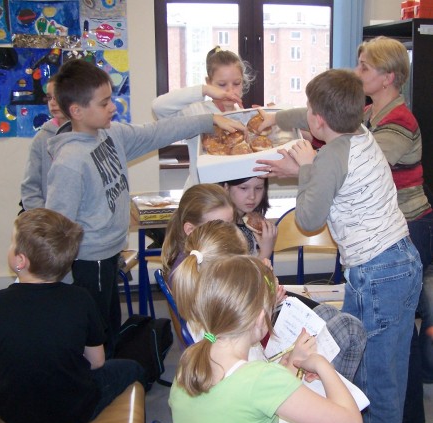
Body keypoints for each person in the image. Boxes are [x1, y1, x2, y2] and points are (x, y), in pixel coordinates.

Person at [257, 68, 422, 423]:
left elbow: (308, 219)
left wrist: (305, 169)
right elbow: (313, 119)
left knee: (377, 383)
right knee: (371, 362)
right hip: (399, 262)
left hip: (377, 274)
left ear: (319, 119)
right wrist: (277, 119)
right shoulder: (360, 131)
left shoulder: (329, 157)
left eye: (309, 111)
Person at [45, 59, 247, 358]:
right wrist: (53, 288)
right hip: (89, 260)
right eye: (104, 103)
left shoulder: (111, 135)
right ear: (77, 111)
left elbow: (157, 131)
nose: (112, 108)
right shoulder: (69, 162)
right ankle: (99, 378)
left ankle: (111, 370)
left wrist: (209, 120)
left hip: (109, 254)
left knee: (108, 326)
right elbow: (55, 228)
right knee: (94, 333)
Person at [0, 208, 146, 423]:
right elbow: (97, 362)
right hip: (74, 415)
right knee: (132, 368)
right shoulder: (81, 299)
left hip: (17, 420)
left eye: (12, 243)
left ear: (20, 260)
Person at [169, 255, 363, 423]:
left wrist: (287, 368)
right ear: (261, 318)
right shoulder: (261, 379)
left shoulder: (190, 361)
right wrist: (321, 364)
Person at [173, 219, 366, 382]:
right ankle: (335, 401)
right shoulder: (227, 350)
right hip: (277, 388)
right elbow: (262, 392)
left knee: (328, 314)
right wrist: (291, 363)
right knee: (349, 327)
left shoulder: (206, 315)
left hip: (267, 369)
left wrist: (268, 304)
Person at [355, 36, 432, 423]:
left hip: (408, 230)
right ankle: (408, 420)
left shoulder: (399, 120)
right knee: (402, 329)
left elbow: (367, 165)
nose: (357, 73)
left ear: (387, 77)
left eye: (364, 67)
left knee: (400, 331)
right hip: (392, 230)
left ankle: (407, 421)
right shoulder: (370, 112)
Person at [152, 46, 253, 189]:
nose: (230, 90)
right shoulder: (197, 111)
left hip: (229, 197)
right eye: (222, 84)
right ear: (209, 82)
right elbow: (158, 107)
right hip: (199, 196)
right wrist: (203, 90)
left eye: (236, 83)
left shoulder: (244, 117)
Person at [161, 183, 235, 285]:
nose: (227, 233)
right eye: (217, 227)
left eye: (230, 224)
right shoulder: (190, 271)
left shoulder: (215, 256)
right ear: (190, 230)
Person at [20, 75, 69, 210]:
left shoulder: (87, 134)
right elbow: (30, 188)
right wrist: (47, 219)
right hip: (52, 219)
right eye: (49, 97)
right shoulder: (41, 139)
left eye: (58, 97)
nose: (52, 103)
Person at [221, 176, 277, 259]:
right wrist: (266, 251)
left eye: (258, 188)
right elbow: (240, 267)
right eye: (243, 188)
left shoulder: (251, 221)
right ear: (226, 187)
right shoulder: (221, 228)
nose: (252, 196)